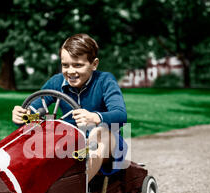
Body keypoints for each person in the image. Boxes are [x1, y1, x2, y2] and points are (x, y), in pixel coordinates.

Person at [12, 33, 127, 182]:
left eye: (78, 65)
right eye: (65, 65)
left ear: (94, 64)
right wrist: (22, 115)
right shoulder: (56, 82)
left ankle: (81, 186)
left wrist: (95, 117)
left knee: (98, 133)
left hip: (108, 146)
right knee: (39, 137)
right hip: (70, 145)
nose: (70, 71)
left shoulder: (105, 80)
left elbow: (121, 115)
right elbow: (34, 108)